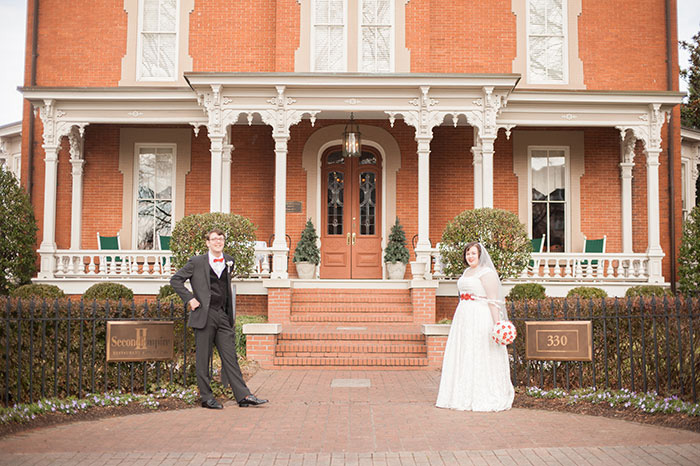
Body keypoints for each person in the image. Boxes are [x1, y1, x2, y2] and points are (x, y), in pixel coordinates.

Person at [170, 228, 268, 409]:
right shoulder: (196, 262)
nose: (218, 242)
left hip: (222, 315)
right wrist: (190, 299)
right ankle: (207, 398)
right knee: (203, 359)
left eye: (220, 238)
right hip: (204, 315)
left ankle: (243, 395)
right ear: (207, 242)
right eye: (214, 239)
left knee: (230, 357)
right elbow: (175, 280)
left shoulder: (229, 260)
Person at [436, 241, 514, 411]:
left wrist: (497, 325)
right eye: (468, 253)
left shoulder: (487, 273)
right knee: (464, 352)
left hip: (480, 316)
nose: (470, 256)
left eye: (473, 253)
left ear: (480, 255)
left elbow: (493, 301)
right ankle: (461, 394)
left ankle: (483, 394)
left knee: (479, 351)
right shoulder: (466, 272)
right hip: (463, 317)